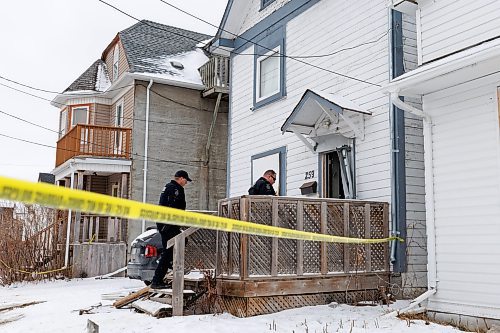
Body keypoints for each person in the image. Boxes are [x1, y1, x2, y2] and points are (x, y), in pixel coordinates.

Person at [150, 170, 192, 289]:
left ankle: (167, 268)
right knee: (171, 250)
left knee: (172, 248)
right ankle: (158, 280)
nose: (186, 183)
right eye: (185, 180)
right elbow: (172, 206)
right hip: (168, 224)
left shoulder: (169, 187)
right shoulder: (175, 189)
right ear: (181, 178)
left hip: (166, 224)